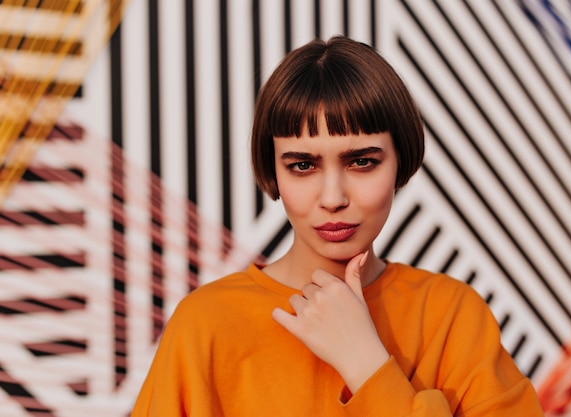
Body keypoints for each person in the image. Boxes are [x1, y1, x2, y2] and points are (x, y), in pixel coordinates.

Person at [130, 36, 544, 416]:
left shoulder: (452, 315)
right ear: (273, 172)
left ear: (401, 159)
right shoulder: (205, 325)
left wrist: (366, 363)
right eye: (303, 166)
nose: (332, 198)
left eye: (362, 161)